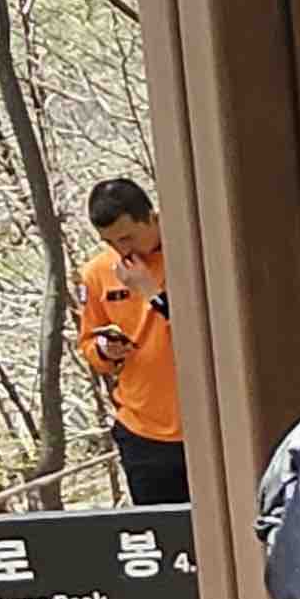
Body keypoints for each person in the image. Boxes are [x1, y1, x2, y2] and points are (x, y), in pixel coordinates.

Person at [75, 177, 186, 506]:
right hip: (143, 430)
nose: (123, 250)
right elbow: (88, 344)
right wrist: (104, 350)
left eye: (127, 237)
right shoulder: (98, 273)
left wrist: (150, 291)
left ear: (151, 217)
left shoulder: (189, 253)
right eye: (110, 242)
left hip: (207, 423)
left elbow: (205, 329)